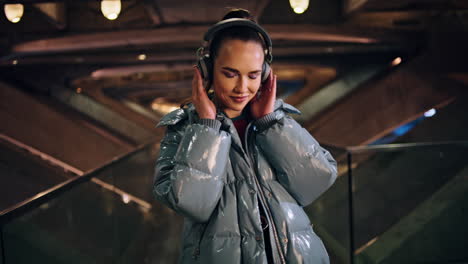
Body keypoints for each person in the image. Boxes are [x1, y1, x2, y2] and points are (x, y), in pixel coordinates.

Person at [153, 8, 338, 264]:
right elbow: (192, 203)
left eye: (252, 75)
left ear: (264, 74)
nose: (242, 88)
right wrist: (207, 127)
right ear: (207, 71)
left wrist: (270, 123)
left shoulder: (276, 120)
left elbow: (317, 181)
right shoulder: (184, 128)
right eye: (230, 74)